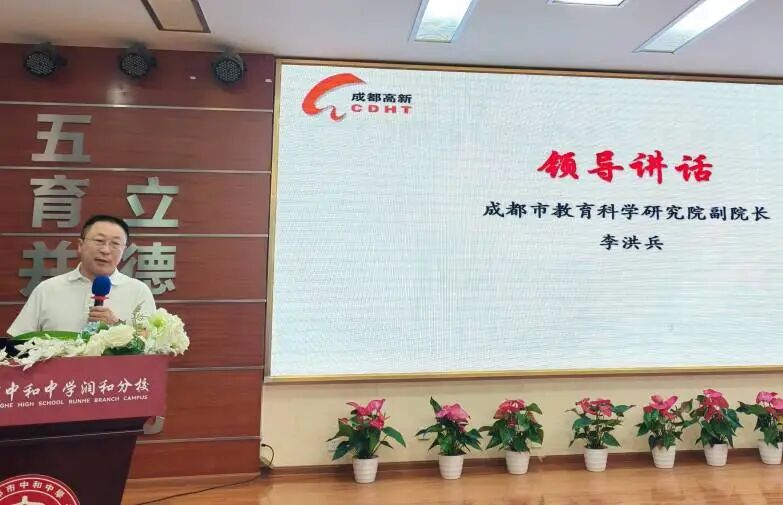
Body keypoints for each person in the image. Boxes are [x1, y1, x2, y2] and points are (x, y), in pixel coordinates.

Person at [6, 215, 156, 337]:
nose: (105, 250)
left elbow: (152, 345)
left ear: (124, 251)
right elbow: (18, 339)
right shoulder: (48, 289)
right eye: (99, 241)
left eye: (115, 244)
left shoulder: (138, 291)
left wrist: (117, 325)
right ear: (80, 245)